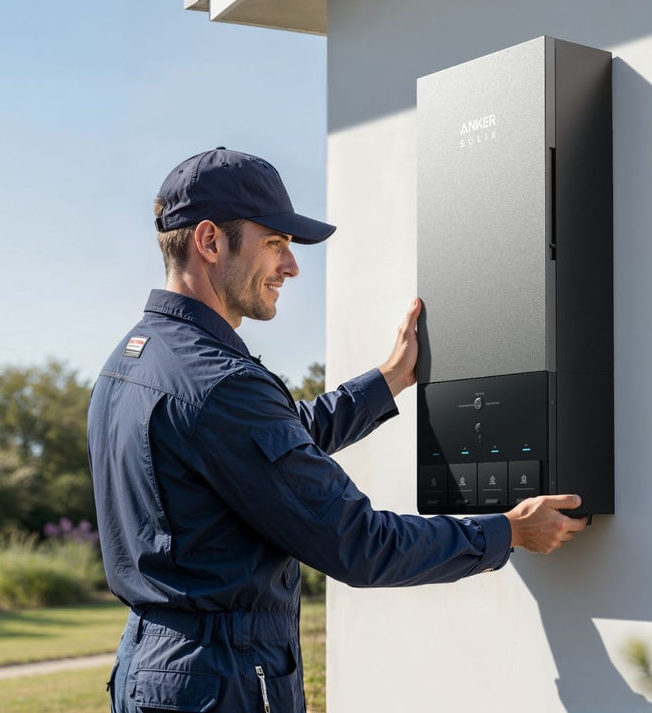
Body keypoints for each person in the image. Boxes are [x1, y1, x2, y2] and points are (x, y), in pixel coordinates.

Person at [87, 147, 586, 713]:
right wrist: (507, 532)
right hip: (220, 683)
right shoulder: (219, 383)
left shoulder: (129, 362)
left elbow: (265, 447)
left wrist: (389, 380)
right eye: (274, 243)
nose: (291, 266)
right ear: (209, 241)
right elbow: (359, 545)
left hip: (154, 670)